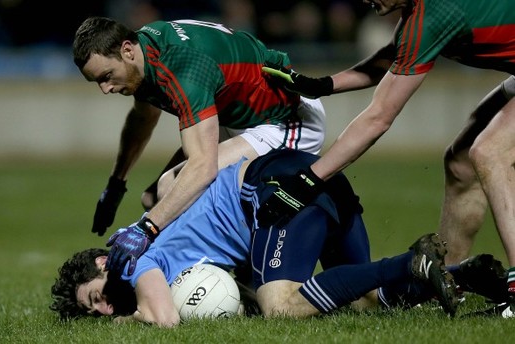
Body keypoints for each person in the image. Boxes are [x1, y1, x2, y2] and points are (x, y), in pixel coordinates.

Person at [258, 0, 515, 314]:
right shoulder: (420, 15)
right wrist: (323, 85)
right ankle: (447, 284)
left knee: (490, 152)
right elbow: (390, 59)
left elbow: (378, 118)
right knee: (461, 165)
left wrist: (309, 180)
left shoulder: (434, 14)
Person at [51, 149, 465, 324]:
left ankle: (410, 262)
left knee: (281, 307)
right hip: (311, 174)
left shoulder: (134, 257)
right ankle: (471, 276)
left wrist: (127, 319)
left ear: (105, 263)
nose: (105, 310)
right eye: (96, 312)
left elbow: (166, 321)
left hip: (275, 192)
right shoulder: (157, 226)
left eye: (96, 298)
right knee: (364, 301)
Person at [72, 17, 327, 273]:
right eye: (97, 82)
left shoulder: (184, 69)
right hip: (237, 114)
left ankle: (222, 278)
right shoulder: (142, 54)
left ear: (126, 50)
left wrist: (145, 229)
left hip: (286, 119)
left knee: (173, 185)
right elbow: (143, 117)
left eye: (106, 76)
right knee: (153, 198)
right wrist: (117, 183)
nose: (105, 89)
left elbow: (203, 168)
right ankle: (195, 275)